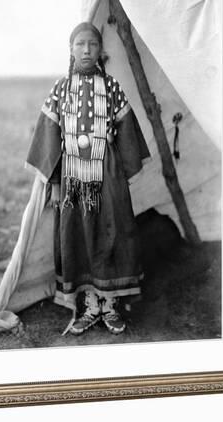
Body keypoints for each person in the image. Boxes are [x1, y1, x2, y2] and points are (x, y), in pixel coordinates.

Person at [26, 22, 150, 335]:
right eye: (80, 44)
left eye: (92, 45)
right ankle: (90, 304)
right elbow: (49, 137)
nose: (86, 50)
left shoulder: (111, 88)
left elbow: (128, 137)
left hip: (107, 174)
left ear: (100, 51)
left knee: (112, 232)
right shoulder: (60, 89)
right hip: (72, 177)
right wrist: (54, 183)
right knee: (78, 234)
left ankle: (111, 306)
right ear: (71, 49)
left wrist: (121, 177)